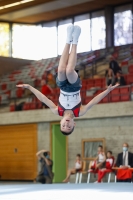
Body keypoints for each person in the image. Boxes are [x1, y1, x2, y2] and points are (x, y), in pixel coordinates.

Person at [16, 24, 119, 136]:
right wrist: (107, 91)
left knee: (60, 70)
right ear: (74, 124)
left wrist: (30, 87)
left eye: (63, 126)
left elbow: (43, 98)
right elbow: (94, 101)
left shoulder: (57, 111)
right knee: (69, 70)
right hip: (74, 87)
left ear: (60, 122)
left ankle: (68, 39)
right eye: (69, 127)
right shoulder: (80, 112)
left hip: (63, 87)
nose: (67, 124)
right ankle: (74, 41)